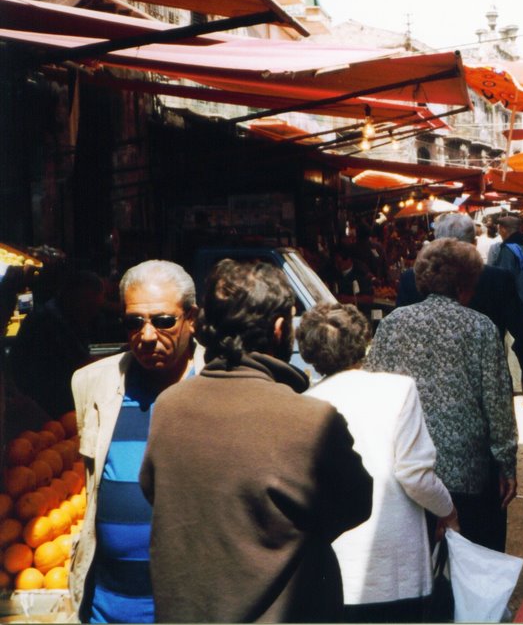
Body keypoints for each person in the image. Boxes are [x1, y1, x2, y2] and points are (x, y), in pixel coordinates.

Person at [139, 260, 372, 623]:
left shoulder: (169, 406)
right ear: (281, 330)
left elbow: (154, 491)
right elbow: (356, 503)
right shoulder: (312, 420)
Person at [297, 302, 458, 623]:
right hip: (397, 567)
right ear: (363, 342)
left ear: (310, 353)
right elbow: (416, 476)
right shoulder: (398, 389)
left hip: (335, 570)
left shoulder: (304, 404)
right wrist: (448, 510)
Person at [68, 261, 205, 623]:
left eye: (162, 321)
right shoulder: (92, 384)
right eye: (134, 322)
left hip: (195, 609)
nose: (146, 336)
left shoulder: (218, 385)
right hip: (108, 609)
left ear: (191, 318)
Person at [366, 239, 517, 553]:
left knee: (422, 570)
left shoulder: (391, 325)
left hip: (410, 469)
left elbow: (375, 391)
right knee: (471, 563)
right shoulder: (480, 328)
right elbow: (498, 403)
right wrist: (506, 463)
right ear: (466, 284)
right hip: (468, 473)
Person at [396, 213, 523, 403]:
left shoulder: (411, 278)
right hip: (485, 380)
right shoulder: (497, 279)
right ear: (473, 242)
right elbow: (522, 332)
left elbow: (400, 334)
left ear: (437, 241)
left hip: (428, 380)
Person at [11, 270, 105, 419]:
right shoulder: (49, 321)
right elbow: (80, 364)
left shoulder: (62, 316)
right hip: (43, 410)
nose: (93, 313)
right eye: (89, 306)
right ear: (71, 297)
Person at [489, 214, 523, 319]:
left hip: (516, 306)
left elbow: (503, 280)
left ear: (503, 229)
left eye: (499, 229)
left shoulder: (508, 250)